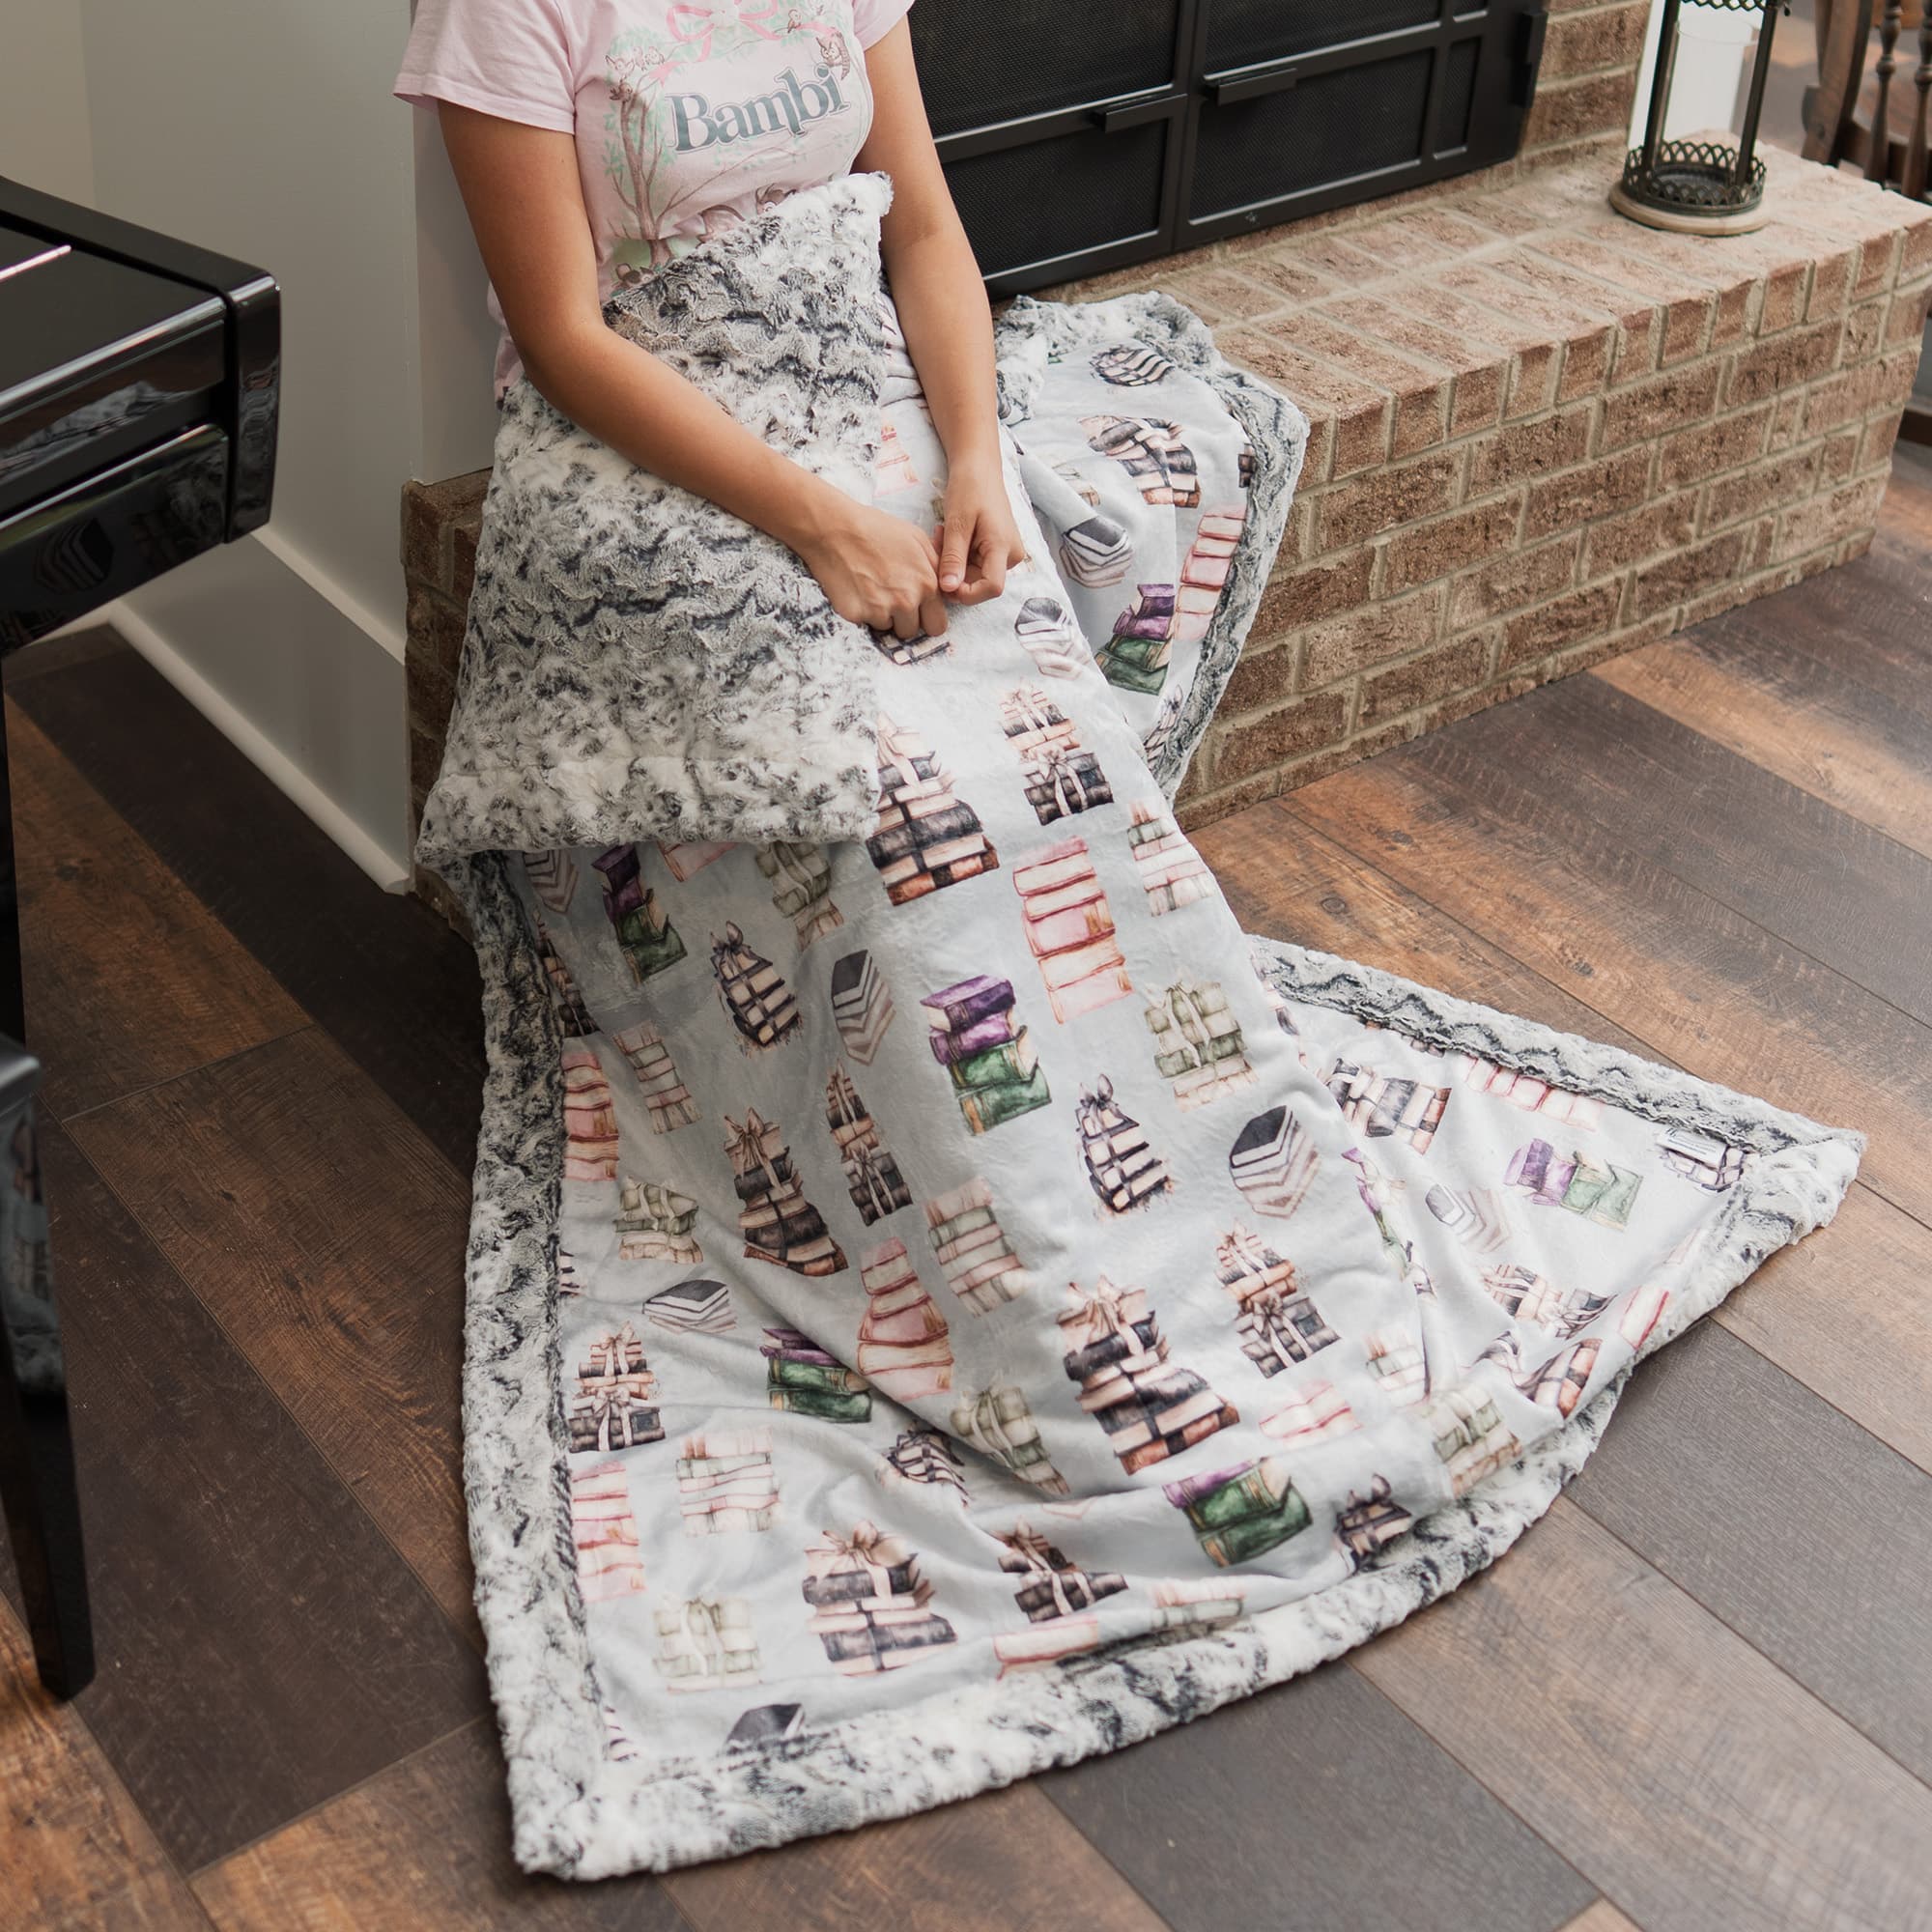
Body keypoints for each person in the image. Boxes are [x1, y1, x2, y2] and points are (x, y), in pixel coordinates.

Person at [397, 0, 1022, 644]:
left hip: (861, 384)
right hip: (650, 425)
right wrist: (831, 529)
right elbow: (559, 339)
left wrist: (978, 455)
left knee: (1009, 647)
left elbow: (922, 232)